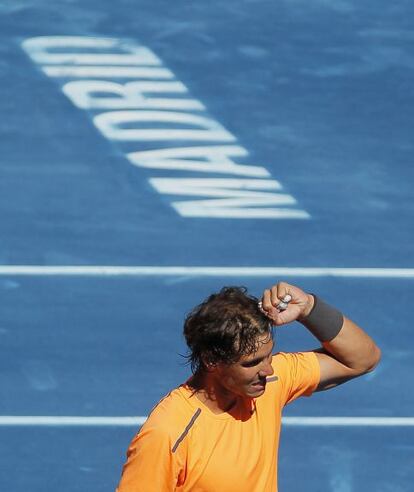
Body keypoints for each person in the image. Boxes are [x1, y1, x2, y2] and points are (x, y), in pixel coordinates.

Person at [116, 281, 381, 492]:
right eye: (252, 363)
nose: (267, 369)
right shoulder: (168, 435)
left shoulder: (272, 381)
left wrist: (309, 308)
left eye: (269, 355)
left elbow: (362, 359)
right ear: (212, 360)